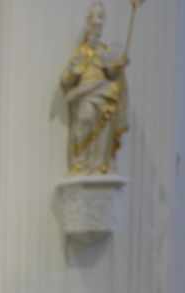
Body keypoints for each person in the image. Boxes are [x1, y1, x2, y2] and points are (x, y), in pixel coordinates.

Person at [60, 1, 129, 176]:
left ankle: (99, 163)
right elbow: (66, 79)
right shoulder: (81, 51)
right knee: (86, 117)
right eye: (95, 21)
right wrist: (76, 70)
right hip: (86, 92)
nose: (98, 26)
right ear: (89, 24)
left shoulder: (104, 50)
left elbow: (110, 71)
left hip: (103, 89)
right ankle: (81, 161)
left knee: (107, 116)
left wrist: (120, 64)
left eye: (101, 22)